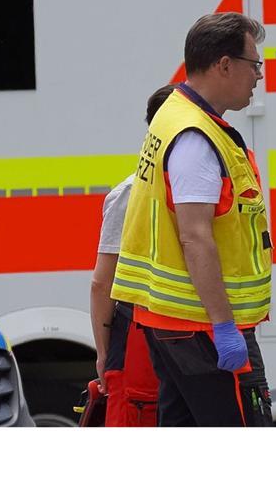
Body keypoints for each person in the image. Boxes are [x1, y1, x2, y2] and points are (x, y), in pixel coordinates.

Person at [111, 12, 274, 426]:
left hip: (173, 323)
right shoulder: (195, 135)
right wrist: (223, 327)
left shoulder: (173, 116)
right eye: (254, 64)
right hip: (199, 325)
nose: (258, 75)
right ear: (224, 65)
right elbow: (195, 237)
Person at [89, 84, 175, 426]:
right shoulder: (130, 193)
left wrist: (104, 355)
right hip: (138, 341)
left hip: (144, 340)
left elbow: (100, 283)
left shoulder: (134, 189)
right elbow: (102, 283)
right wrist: (106, 355)